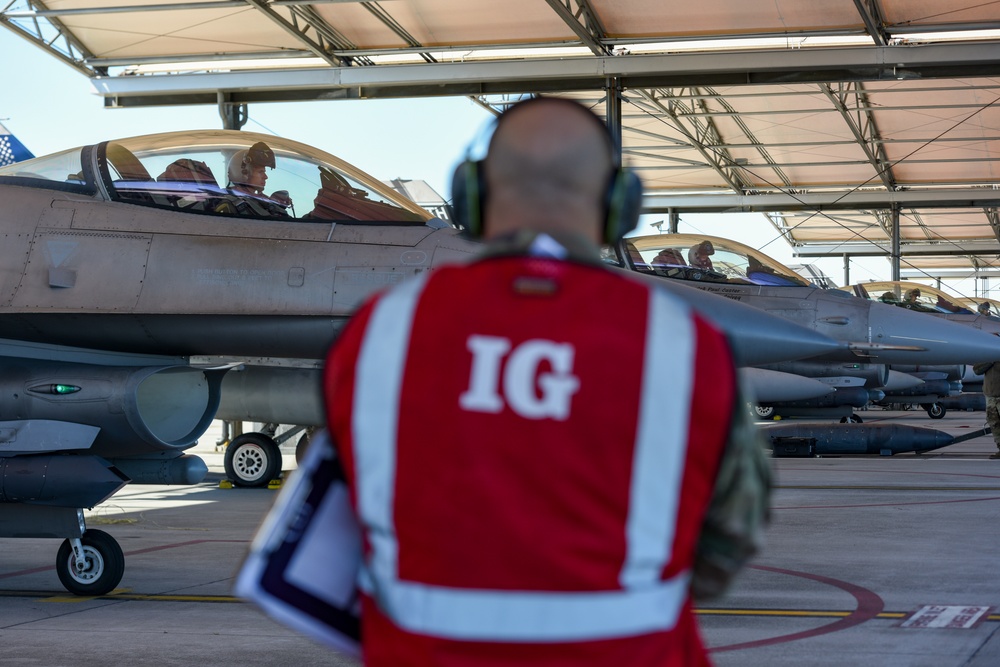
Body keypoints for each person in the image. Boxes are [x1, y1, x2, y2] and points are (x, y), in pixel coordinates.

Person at [322, 96, 770, 666]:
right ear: (618, 204)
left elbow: (344, 518)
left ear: (473, 194)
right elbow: (728, 540)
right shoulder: (686, 344)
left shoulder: (380, 331)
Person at [972, 360, 1000, 459]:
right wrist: (991, 360)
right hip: (990, 395)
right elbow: (976, 370)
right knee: (994, 423)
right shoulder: (988, 355)